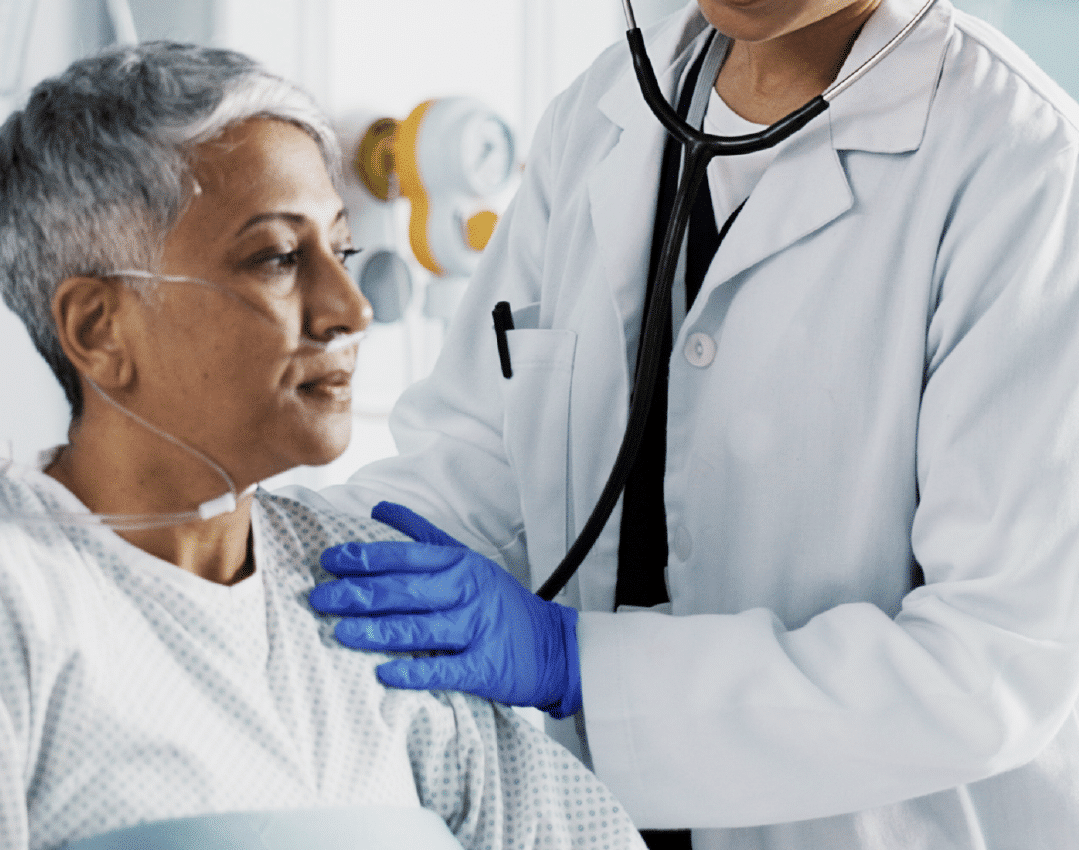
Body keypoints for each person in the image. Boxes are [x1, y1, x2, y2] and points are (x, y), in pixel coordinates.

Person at [308, 0, 1079, 847]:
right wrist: (271, 560)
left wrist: (575, 663)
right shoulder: (604, 115)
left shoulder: (1024, 176)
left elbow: (991, 665)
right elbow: (473, 470)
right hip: (589, 818)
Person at [0, 42, 645, 850]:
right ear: (100, 328)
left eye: (340, 252)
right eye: (276, 257)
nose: (350, 309)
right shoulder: (25, 603)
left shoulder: (363, 599)